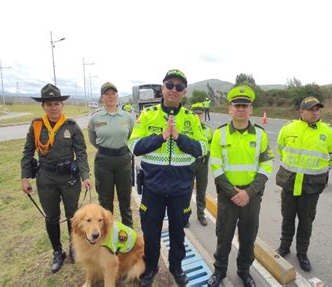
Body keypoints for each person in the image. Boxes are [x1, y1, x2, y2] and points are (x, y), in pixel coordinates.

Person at [128, 69, 207, 287]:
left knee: (177, 232)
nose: (174, 90)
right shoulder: (148, 114)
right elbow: (134, 146)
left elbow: (201, 149)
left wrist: (179, 137)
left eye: (179, 87)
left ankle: (176, 267)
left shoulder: (191, 118)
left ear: (184, 92)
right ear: (162, 88)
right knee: (151, 232)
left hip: (181, 189)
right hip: (153, 188)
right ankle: (150, 268)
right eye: (169, 85)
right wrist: (161, 137)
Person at [20, 83, 93, 273]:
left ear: (62, 105)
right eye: (49, 104)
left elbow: (81, 152)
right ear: (43, 106)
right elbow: (28, 152)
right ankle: (57, 252)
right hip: (46, 178)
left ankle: (73, 246)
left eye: (56, 104)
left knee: (73, 217)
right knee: (52, 217)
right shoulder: (36, 126)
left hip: (69, 178)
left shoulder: (71, 126)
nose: (53, 107)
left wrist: (85, 175)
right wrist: (25, 177)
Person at [207, 85, 274, 287]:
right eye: (237, 105)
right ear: (230, 109)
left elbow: (266, 165)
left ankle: (244, 272)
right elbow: (216, 167)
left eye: (245, 105)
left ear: (251, 110)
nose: (241, 109)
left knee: (248, 237)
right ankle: (219, 271)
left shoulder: (260, 135)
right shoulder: (220, 134)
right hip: (228, 196)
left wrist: (249, 192)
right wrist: (233, 192)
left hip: (252, 196)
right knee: (224, 237)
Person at [275, 97, 332, 272]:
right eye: (311, 109)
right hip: (289, 183)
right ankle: (284, 246)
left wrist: (318, 173)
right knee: (287, 217)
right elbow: (281, 150)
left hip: (312, 187)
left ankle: (302, 253)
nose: (315, 112)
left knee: (306, 221)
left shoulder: (328, 133)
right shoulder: (288, 129)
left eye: (318, 109)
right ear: (301, 111)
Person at [88, 82, 135, 227]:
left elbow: (131, 137)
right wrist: (107, 149)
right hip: (104, 162)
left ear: (117, 96)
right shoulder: (95, 118)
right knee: (105, 202)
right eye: (107, 94)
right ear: (102, 97)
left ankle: (129, 234)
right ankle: (107, 234)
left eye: (113, 93)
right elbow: (93, 139)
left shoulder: (127, 117)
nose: (110, 97)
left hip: (123, 160)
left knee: (125, 201)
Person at [190, 102, 213, 227]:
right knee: (186, 190)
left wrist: (207, 157)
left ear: (203, 114)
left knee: (201, 190)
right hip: (189, 162)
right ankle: (185, 216)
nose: (198, 116)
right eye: (195, 114)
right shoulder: (186, 129)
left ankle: (201, 214)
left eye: (200, 114)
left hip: (202, 164)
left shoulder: (207, 130)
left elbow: (211, 146)